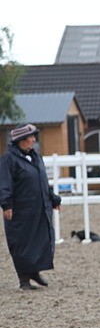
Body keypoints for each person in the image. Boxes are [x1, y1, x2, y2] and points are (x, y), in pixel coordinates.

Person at [0, 124, 62, 290]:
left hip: (38, 208)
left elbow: (43, 182)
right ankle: (24, 279)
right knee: (22, 242)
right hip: (20, 210)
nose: (34, 140)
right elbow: (4, 184)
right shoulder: (9, 160)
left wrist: (53, 199)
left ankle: (34, 272)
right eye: (31, 137)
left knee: (39, 241)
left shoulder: (35, 157)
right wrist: (6, 204)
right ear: (21, 140)